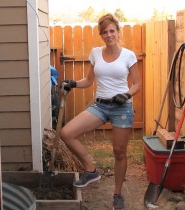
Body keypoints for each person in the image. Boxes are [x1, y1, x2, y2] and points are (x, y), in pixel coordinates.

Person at [60, 13, 141, 210]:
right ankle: (91, 169)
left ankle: (117, 194)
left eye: (112, 30)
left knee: (119, 152)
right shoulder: (96, 53)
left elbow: (137, 84)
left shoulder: (129, 55)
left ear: (118, 31)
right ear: (101, 34)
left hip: (121, 107)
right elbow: (88, 81)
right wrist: (72, 83)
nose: (108, 34)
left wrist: (127, 95)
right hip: (100, 105)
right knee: (67, 133)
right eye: (104, 32)